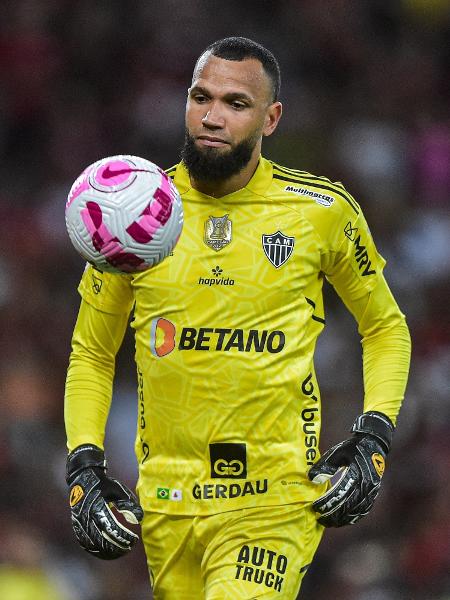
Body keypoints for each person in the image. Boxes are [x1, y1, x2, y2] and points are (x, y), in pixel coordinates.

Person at [64, 37, 411, 599]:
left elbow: (385, 327)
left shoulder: (320, 212)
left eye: (235, 103)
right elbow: (92, 352)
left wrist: (373, 436)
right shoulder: (137, 214)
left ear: (271, 119)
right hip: (167, 501)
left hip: (274, 499)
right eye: (201, 97)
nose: (212, 117)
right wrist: (84, 465)